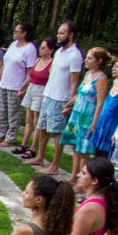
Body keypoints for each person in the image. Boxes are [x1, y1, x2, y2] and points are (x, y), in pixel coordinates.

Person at [26, 21, 82, 173]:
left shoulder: (75, 55)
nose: (58, 36)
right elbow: (52, 76)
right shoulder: (58, 52)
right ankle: (40, 157)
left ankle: (55, 166)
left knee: (57, 133)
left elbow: (74, 81)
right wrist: (45, 94)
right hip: (49, 95)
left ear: (71, 35)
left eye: (62, 33)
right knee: (42, 128)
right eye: (58, 33)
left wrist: (69, 103)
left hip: (60, 99)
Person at [58, 47, 110, 180]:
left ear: (99, 61)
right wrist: (68, 105)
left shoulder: (101, 79)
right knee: (74, 147)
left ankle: (82, 179)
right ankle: (74, 176)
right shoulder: (87, 74)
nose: (86, 60)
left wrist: (94, 122)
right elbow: (79, 94)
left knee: (83, 151)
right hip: (76, 115)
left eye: (90, 58)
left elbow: (100, 102)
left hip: (87, 118)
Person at [0, 23, 37, 147]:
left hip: (16, 86)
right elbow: (5, 65)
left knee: (13, 113)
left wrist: (23, 88)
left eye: (17, 31)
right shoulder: (12, 45)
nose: (14, 33)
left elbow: (30, 72)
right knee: (2, 112)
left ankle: (10, 137)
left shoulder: (30, 49)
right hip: (5, 83)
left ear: (24, 33)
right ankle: (1, 135)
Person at [14, 37, 55, 159]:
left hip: (41, 91)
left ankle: (33, 148)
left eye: (43, 48)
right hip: (31, 89)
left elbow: (50, 82)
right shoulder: (37, 60)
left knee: (37, 121)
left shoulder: (52, 63)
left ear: (51, 50)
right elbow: (30, 77)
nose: (40, 49)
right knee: (28, 120)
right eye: (40, 47)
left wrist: (44, 96)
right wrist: (22, 88)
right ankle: (24, 145)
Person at [91, 54, 118, 160]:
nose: (113, 69)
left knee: (105, 159)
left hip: (113, 129)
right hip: (102, 125)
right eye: (114, 66)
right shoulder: (115, 82)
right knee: (96, 156)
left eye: (117, 67)